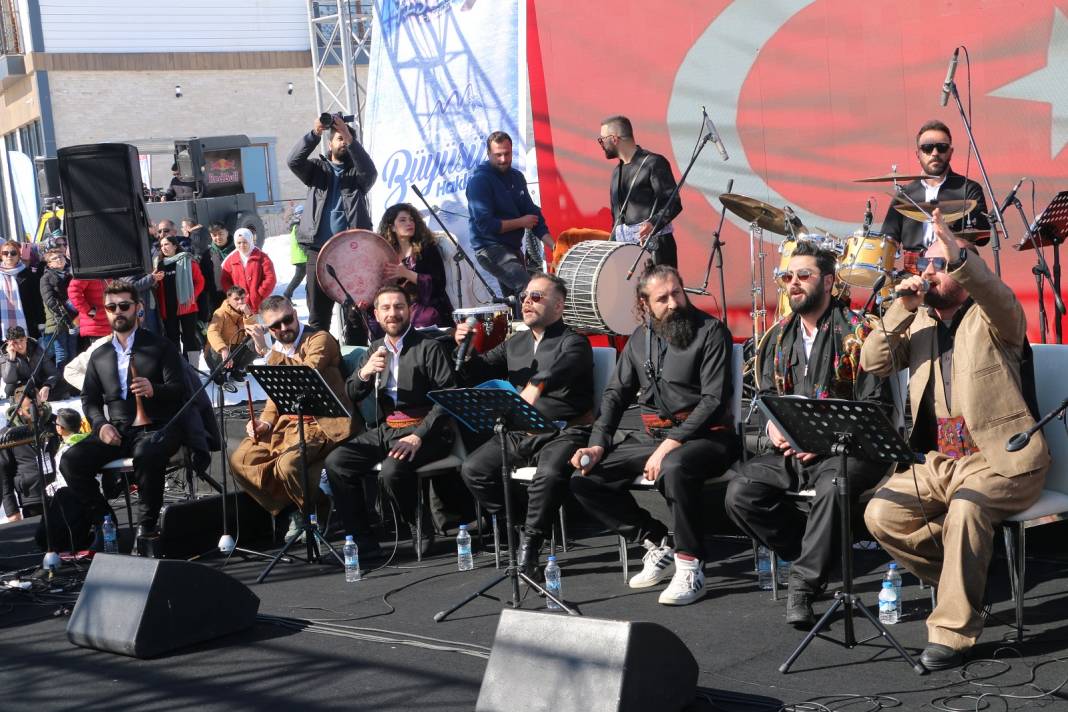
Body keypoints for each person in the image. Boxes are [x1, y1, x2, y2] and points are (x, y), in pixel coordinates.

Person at [860, 209, 1048, 671]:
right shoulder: (919, 322)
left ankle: (952, 633)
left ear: (965, 272)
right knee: (880, 513)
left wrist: (958, 251)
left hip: (1003, 458)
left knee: (967, 507)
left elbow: (995, 292)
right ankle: (965, 583)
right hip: (940, 461)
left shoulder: (995, 317)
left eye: (938, 266)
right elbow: (872, 361)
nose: (926, 274)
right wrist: (900, 309)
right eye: (925, 265)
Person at [724, 241, 893, 627]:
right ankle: (817, 558)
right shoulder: (778, 337)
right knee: (740, 493)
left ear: (830, 282)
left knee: (835, 487)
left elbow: (876, 409)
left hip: (848, 452)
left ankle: (802, 585)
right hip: (792, 450)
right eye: (788, 276)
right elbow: (767, 397)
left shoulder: (860, 334)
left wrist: (820, 439)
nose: (793, 284)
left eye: (804, 275)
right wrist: (776, 427)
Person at [569, 265, 737, 606]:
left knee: (674, 467)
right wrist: (598, 444)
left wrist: (671, 444)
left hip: (709, 436)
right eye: (663, 298)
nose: (674, 303)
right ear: (644, 304)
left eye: (677, 292)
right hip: (654, 437)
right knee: (585, 479)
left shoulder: (711, 332)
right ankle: (657, 542)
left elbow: (713, 401)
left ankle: (690, 566)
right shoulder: (639, 339)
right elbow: (615, 395)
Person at [458, 273, 593, 579]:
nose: (527, 303)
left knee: (548, 474)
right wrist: (465, 351)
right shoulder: (516, 343)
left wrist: (537, 383)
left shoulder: (574, 341)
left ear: (558, 307)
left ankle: (530, 546)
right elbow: (480, 368)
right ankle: (522, 530)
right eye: (525, 297)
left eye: (536, 297)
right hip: (521, 431)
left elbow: (564, 367)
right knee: (473, 470)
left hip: (562, 431)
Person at [325, 285, 457, 557]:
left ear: (409, 310)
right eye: (386, 308)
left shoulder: (428, 347)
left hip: (428, 430)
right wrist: (364, 372)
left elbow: (447, 399)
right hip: (389, 428)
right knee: (337, 462)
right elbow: (351, 392)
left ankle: (419, 525)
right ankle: (362, 538)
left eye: (399, 307)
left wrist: (417, 436)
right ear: (376, 314)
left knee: (391, 470)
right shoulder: (375, 348)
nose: (393, 313)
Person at [59, 281, 186, 540]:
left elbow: (180, 390)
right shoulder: (99, 354)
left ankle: (146, 526)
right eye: (111, 307)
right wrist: (100, 425)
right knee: (70, 461)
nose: (118, 311)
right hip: (117, 429)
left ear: (138, 308)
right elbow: (90, 399)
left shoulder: (161, 346)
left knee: (147, 452)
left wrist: (155, 389)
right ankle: (104, 520)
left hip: (158, 425)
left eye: (124, 306)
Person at [230, 295, 354, 539]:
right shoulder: (276, 349)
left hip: (321, 423)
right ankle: (295, 507)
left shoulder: (320, 339)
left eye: (287, 320)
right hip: (287, 424)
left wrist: (266, 352)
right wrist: (264, 422)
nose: (284, 328)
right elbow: (275, 397)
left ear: (295, 314)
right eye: (275, 326)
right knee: (241, 459)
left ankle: (317, 510)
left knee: (287, 465)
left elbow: (306, 372)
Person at [288, 113, 378, 331]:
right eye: (339, 138)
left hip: (351, 252)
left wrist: (349, 136)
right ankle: (323, 360)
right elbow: (293, 161)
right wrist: (314, 133)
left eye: (346, 139)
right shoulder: (317, 169)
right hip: (318, 252)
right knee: (318, 318)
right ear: (329, 143)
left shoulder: (357, 173)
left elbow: (371, 173)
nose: (343, 143)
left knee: (356, 316)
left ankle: (356, 360)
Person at [466, 131, 554, 306]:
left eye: (507, 153)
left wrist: (554, 245)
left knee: (517, 301)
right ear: (488, 154)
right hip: (489, 249)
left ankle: (521, 329)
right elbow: (486, 225)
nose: (503, 159)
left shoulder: (517, 177)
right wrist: (521, 222)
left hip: (512, 248)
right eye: (498, 155)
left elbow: (532, 213)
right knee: (529, 288)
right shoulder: (479, 181)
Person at [879, 120, 990, 252]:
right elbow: (888, 238)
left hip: (953, 266)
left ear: (950, 152)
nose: (935, 153)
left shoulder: (969, 189)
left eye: (942, 147)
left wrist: (953, 222)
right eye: (927, 148)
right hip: (914, 269)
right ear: (918, 155)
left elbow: (983, 237)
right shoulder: (905, 193)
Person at [598, 116, 682, 268]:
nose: (601, 144)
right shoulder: (617, 172)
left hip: (655, 247)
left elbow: (673, 203)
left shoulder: (653, 163)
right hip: (625, 252)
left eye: (602, 139)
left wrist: (653, 223)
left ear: (614, 138)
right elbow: (616, 217)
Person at [372, 202, 453, 335]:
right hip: (398, 306)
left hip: (427, 306)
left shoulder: (426, 249)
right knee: (376, 322)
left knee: (424, 318)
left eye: (411, 219)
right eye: (402, 220)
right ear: (392, 227)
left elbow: (439, 284)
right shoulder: (385, 254)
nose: (409, 223)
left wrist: (406, 273)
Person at [0, 388, 60, 521]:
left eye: (39, 407)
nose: (37, 413)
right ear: (19, 410)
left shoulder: (56, 424)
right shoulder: (7, 436)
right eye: (29, 410)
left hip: (61, 491)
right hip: (32, 498)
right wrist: (12, 511)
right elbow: (4, 476)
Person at [154, 234, 205, 365]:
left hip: (187, 307)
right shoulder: (158, 264)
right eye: (161, 245)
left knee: (189, 338)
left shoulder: (188, 261)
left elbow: (200, 282)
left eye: (166, 244)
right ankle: (177, 366)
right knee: (172, 339)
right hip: (168, 308)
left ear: (175, 246)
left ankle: (193, 368)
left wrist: (192, 297)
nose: (163, 248)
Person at [38, 247, 78, 386]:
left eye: (61, 256)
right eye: (54, 258)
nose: (59, 259)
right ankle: (61, 386)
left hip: (74, 319)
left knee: (73, 353)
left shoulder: (70, 276)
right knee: (62, 354)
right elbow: (50, 301)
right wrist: (67, 317)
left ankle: (72, 384)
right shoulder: (46, 278)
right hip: (57, 321)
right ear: (49, 264)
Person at [205, 286, 257, 377]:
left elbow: (254, 332)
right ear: (228, 300)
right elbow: (212, 332)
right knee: (215, 347)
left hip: (234, 352)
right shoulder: (220, 313)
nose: (240, 302)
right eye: (236, 299)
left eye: (242, 298)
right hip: (218, 354)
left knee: (255, 340)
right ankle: (219, 372)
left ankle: (238, 369)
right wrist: (223, 349)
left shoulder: (246, 312)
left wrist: (248, 315)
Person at [221, 227, 276, 313]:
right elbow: (225, 280)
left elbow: (270, 278)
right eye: (239, 243)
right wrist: (234, 295)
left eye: (245, 242)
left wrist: (259, 293)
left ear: (250, 241)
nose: (242, 245)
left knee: (261, 326)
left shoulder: (262, 257)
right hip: (240, 305)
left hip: (259, 304)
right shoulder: (231, 260)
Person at [0, 239, 45, 338]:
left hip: (27, 322)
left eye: (13, 253)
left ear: (19, 255)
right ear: (1, 256)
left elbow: (37, 300)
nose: (9, 256)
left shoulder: (29, 275)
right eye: (5, 253)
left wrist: (41, 322)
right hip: (2, 324)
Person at [1, 325, 60, 401]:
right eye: (15, 342)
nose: (20, 346)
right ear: (9, 343)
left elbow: (53, 372)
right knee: (9, 389)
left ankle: (36, 397)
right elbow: (9, 380)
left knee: (63, 381)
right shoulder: (5, 355)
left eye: (21, 340)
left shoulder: (37, 349)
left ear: (26, 338)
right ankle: (34, 398)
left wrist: (47, 386)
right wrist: (11, 359)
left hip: (39, 384)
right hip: (22, 387)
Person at [67, 277, 111, 350]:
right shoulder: (86, 270)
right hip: (95, 325)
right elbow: (73, 292)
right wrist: (89, 311)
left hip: (109, 324)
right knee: (99, 358)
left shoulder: (106, 269)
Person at [282, 205, 308, 300]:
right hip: (303, 257)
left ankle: (287, 294)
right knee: (307, 278)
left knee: (298, 278)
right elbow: (301, 242)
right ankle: (287, 294)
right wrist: (308, 252)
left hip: (300, 257)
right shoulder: (298, 226)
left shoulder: (296, 226)